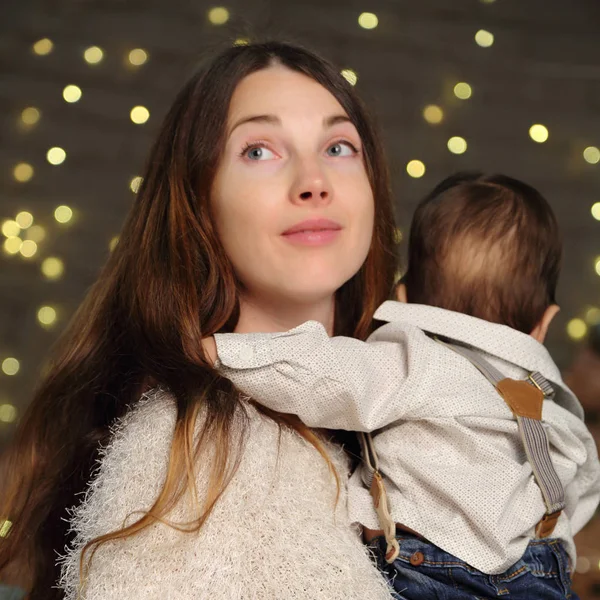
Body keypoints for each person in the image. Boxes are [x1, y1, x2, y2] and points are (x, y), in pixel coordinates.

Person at [0, 42, 400, 599]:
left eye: (338, 146)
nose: (314, 181)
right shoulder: (192, 450)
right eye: (259, 151)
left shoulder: (406, 415)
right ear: (198, 200)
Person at [208, 172, 600, 599]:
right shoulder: (552, 404)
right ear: (544, 324)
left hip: (428, 569)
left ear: (404, 296)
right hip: (539, 575)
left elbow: (325, 374)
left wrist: (220, 353)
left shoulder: (420, 359)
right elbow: (582, 487)